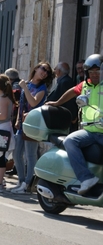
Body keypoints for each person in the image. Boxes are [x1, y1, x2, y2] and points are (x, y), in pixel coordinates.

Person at [46, 54, 103, 195]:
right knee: (70, 140)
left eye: (98, 72)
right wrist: (57, 102)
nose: (95, 75)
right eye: (92, 72)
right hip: (89, 131)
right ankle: (86, 178)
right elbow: (71, 92)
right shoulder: (85, 85)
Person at [9, 62, 54, 194]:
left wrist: (24, 87)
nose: (44, 73)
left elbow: (33, 102)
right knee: (16, 153)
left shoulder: (42, 89)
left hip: (34, 125)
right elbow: (22, 104)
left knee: (30, 154)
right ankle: (21, 181)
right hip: (23, 124)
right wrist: (18, 119)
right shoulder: (27, 84)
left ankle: (29, 184)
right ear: (36, 68)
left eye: (47, 72)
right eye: (43, 69)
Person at [47, 62, 77, 132]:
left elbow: (69, 100)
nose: (54, 71)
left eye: (55, 69)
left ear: (59, 71)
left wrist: (72, 117)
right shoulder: (61, 81)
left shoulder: (65, 82)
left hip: (64, 119)